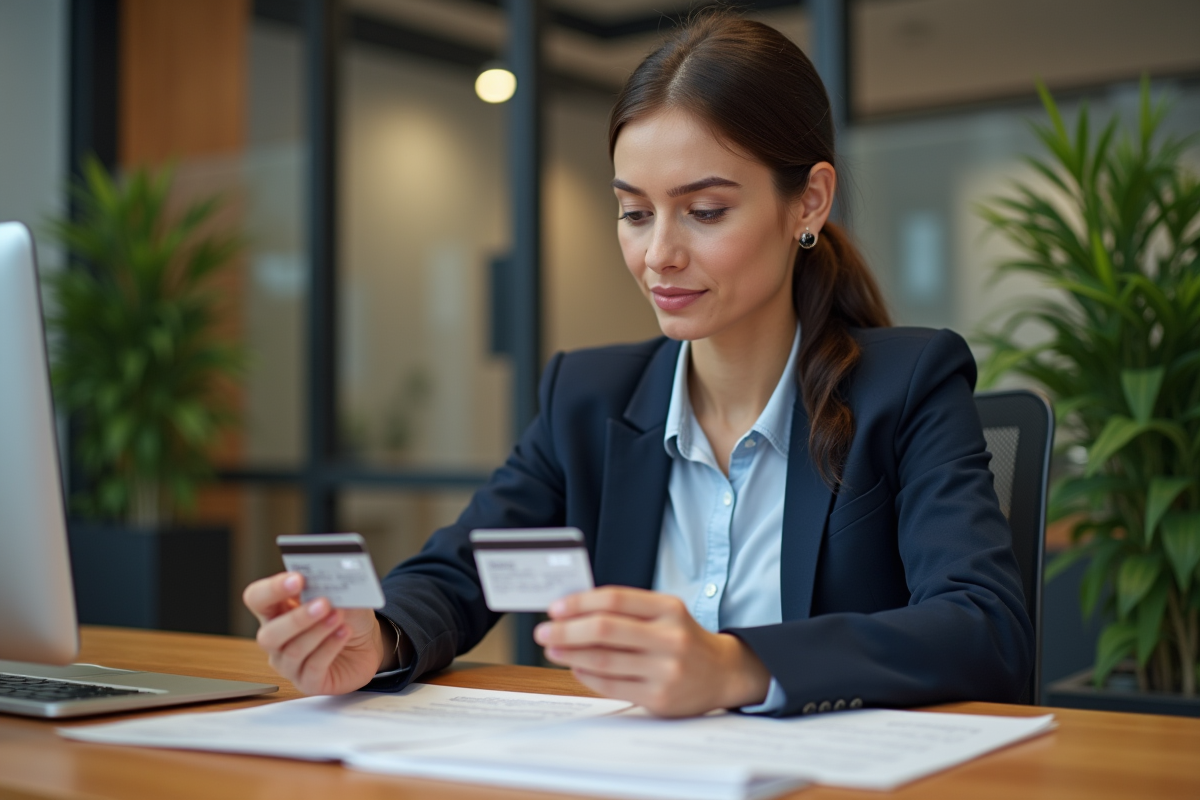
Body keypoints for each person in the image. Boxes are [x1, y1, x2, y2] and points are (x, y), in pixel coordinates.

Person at [243, 14, 1033, 719]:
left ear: (810, 201)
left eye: (706, 210)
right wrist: (374, 636)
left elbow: (984, 627)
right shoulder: (587, 399)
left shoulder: (910, 384)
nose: (659, 254)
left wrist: (737, 665)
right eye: (633, 211)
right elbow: (461, 573)